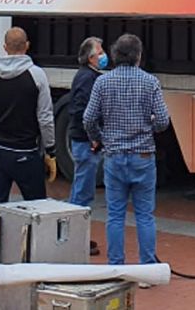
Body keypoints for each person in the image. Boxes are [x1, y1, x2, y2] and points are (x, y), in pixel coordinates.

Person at [83, 33, 169, 267]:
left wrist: (99, 139)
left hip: (114, 156)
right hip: (143, 156)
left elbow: (88, 119)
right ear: (138, 56)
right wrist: (148, 124)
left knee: (115, 215)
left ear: (114, 55)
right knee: (145, 215)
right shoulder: (150, 82)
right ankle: (148, 266)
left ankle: (116, 265)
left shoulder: (102, 82)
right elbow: (163, 121)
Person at [0, 27, 55, 229]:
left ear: (4, 47)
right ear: (27, 46)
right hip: (25, 152)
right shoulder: (37, 76)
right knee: (37, 208)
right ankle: (35, 256)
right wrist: (50, 150)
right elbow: (45, 117)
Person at [66, 36, 107, 256]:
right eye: (99, 52)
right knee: (82, 191)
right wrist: (93, 137)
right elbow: (82, 110)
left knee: (82, 189)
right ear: (90, 57)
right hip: (85, 141)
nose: (103, 55)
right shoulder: (87, 79)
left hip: (83, 139)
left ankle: (75, 234)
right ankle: (75, 237)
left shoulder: (88, 77)